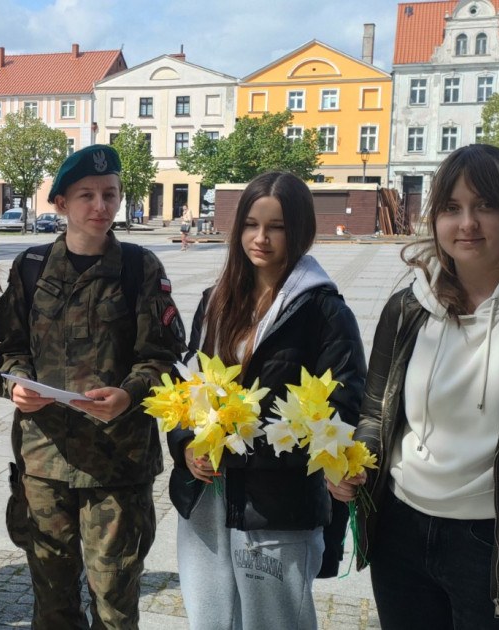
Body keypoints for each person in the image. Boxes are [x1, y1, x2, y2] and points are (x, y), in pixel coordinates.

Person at [0, 144, 186, 629]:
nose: (101, 207)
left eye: (110, 194)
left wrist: (131, 393)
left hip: (117, 466)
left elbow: (163, 359)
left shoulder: (140, 269)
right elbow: (6, 349)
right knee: (52, 604)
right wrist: (15, 386)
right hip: (44, 461)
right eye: (87, 196)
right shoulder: (31, 268)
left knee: (115, 604)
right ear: (60, 203)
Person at [341, 144, 499, 628]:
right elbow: (375, 412)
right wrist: (354, 462)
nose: (467, 223)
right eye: (451, 208)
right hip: (401, 531)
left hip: (497, 543)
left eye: (484, 205)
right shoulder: (408, 306)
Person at [168, 171, 366, 629]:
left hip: (277, 505)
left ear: (299, 230)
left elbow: (344, 405)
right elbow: (184, 386)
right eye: (251, 224)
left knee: (276, 624)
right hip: (206, 497)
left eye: (276, 226)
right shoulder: (215, 300)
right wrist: (185, 443)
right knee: (210, 620)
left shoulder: (324, 312)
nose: (260, 238)